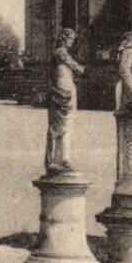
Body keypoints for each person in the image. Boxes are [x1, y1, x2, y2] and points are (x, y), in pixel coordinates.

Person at [45, 28, 83, 172]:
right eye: (70, 39)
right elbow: (75, 66)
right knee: (56, 128)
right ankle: (53, 160)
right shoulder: (60, 53)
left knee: (67, 127)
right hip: (59, 93)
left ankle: (64, 158)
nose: (72, 42)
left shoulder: (63, 54)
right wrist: (80, 68)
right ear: (64, 39)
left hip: (68, 93)